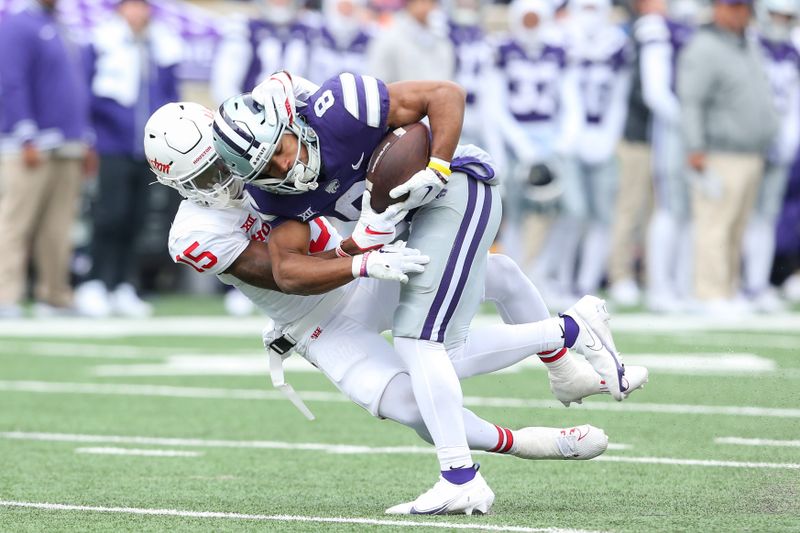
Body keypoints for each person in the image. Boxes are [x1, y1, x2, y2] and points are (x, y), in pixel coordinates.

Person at [146, 101, 646, 513]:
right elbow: (286, 276)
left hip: (358, 266)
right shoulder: (193, 235)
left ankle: (563, 361)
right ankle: (528, 440)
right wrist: (359, 258)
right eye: (206, 175)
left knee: (497, 274)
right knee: (413, 402)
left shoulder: (262, 149)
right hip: (319, 319)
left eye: (219, 161)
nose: (223, 180)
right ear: (177, 185)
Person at [74, 0, 183, 318]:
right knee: (110, 214)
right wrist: (90, 136)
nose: (137, 13)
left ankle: (123, 282)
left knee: (138, 217)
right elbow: (89, 93)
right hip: (112, 144)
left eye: (142, 6)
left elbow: (169, 95)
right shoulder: (102, 41)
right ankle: (96, 281)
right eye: (130, 6)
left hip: (147, 148)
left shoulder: (162, 45)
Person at [678, 0, 779, 313]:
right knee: (714, 224)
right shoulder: (704, 46)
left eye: (743, 7)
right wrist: (695, 147)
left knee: (736, 227)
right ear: (717, 9)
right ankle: (709, 294)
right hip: (719, 152)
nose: (739, 13)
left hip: (751, 152)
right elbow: (692, 102)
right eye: (732, 6)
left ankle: (728, 289)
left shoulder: (747, 44)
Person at [0, 0, 95, 318]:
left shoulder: (61, 25)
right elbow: (10, 81)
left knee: (59, 227)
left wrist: (85, 137)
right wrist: (25, 133)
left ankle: (55, 295)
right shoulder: (18, 24)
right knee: (15, 221)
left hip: (68, 143)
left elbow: (75, 88)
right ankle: (5, 296)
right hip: (31, 145)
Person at [637, 0, 695, 313]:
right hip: (673, 129)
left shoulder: (698, 24)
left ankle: (683, 285)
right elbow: (655, 91)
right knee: (671, 207)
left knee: (690, 212)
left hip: (697, 130)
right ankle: (660, 287)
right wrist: (689, 121)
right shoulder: (658, 26)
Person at [742, 0, 800, 312]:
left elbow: (793, 102)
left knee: (765, 217)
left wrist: (788, 137)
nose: (780, 20)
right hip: (748, 143)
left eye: (786, 16)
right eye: (775, 13)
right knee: (737, 217)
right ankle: (734, 283)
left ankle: (757, 283)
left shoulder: (792, 51)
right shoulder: (749, 45)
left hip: (779, 144)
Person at [366, 0, 455, 82]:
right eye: (420, 2)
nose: (425, 7)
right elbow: (377, 79)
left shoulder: (442, 41)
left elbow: (447, 78)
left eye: (429, 2)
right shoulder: (389, 38)